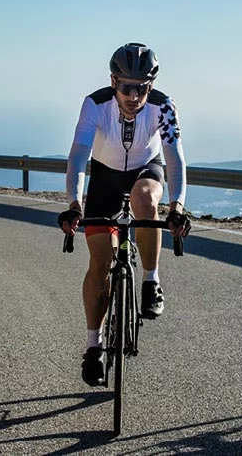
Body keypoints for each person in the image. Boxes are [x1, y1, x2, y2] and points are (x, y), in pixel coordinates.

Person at [58, 42, 192, 387]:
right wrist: (74, 203)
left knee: (144, 199)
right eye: (126, 87)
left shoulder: (164, 106)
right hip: (104, 177)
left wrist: (177, 206)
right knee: (100, 264)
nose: (133, 96)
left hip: (147, 169)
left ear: (151, 85)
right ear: (113, 82)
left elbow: (174, 158)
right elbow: (78, 155)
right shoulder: (95, 104)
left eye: (141, 88)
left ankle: (151, 281)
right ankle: (94, 346)